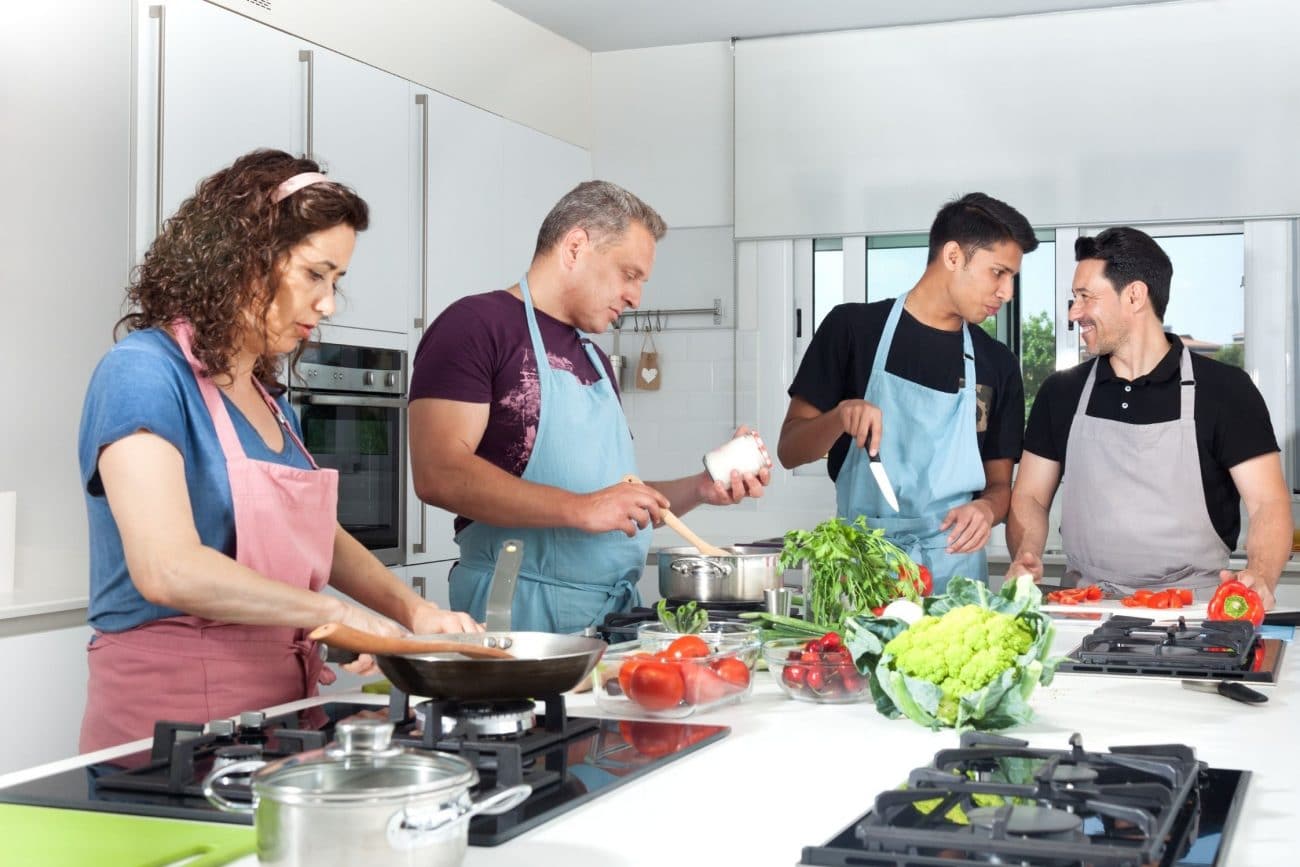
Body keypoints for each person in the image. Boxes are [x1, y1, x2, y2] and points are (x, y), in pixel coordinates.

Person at [78, 149, 479, 752]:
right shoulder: (142, 374)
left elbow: (318, 534)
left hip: (282, 713)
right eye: (315, 274)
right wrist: (336, 614)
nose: (328, 304)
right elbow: (168, 567)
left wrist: (410, 611)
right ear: (245, 260)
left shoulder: (269, 402)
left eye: (337, 281)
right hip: (173, 725)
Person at [408, 180, 770, 634]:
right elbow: (438, 473)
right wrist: (582, 509)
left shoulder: (596, 360)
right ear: (576, 247)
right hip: (518, 611)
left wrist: (700, 487)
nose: (636, 297)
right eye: (629, 274)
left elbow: (613, 496)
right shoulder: (475, 326)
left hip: (611, 620)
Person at [1005, 227, 1291, 607]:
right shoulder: (1062, 392)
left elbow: (1268, 503)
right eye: (1074, 299)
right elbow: (1030, 497)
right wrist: (1026, 552)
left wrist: (1260, 572)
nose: (1075, 313)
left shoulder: (1226, 390)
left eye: (1086, 297)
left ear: (1135, 296)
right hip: (1083, 605)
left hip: (1195, 610)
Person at [777, 193, 1038, 591]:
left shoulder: (997, 363)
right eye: (998, 273)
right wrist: (840, 416)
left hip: (956, 577)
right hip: (863, 574)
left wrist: (986, 509)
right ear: (953, 256)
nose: (1007, 292)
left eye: (1012, 278)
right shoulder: (852, 330)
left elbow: (1000, 485)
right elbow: (790, 449)